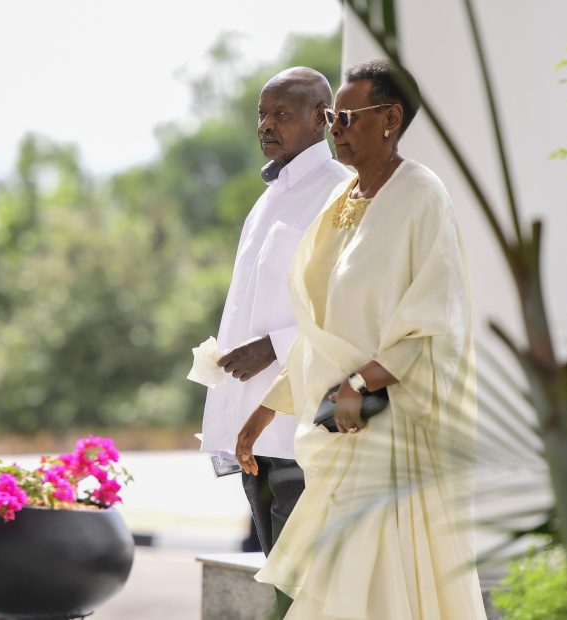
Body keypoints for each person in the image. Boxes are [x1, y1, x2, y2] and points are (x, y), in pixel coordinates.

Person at [236, 59, 487, 619]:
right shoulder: (341, 201)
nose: (334, 128)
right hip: (334, 425)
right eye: (331, 118)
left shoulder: (421, 196)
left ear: (391, 119)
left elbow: (436, 321)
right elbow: (320, 326)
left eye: (346, 116)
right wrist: (265, 410)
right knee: (334, 584)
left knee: (374, 582)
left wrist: (360, 381)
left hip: (391, 424)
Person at [199, 67, 351, 573]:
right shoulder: (268, 199)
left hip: (301, 431)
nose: (265, 125)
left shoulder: (341, 193)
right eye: (262, 114)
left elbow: (348, 306)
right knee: (281, 576)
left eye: (281, 114)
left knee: (303, 589)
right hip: (253, 431)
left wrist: (273, 346)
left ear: (322, 119)